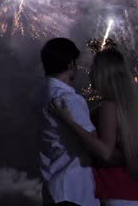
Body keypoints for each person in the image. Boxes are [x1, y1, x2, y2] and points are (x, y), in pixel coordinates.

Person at [49, 48, 138, 206]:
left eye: (93, 67)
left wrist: (67, 120)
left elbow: (105, 153)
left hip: (115, 194)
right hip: (128, 194)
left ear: (103, 73)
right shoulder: (123, 107)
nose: (89, 73)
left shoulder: (108, 106)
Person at [38, 38, 100, 206]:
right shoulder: (68, 99)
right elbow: (94, 144)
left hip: (52, 188)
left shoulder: (41, 96)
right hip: (74, 190)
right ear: (71, 63)